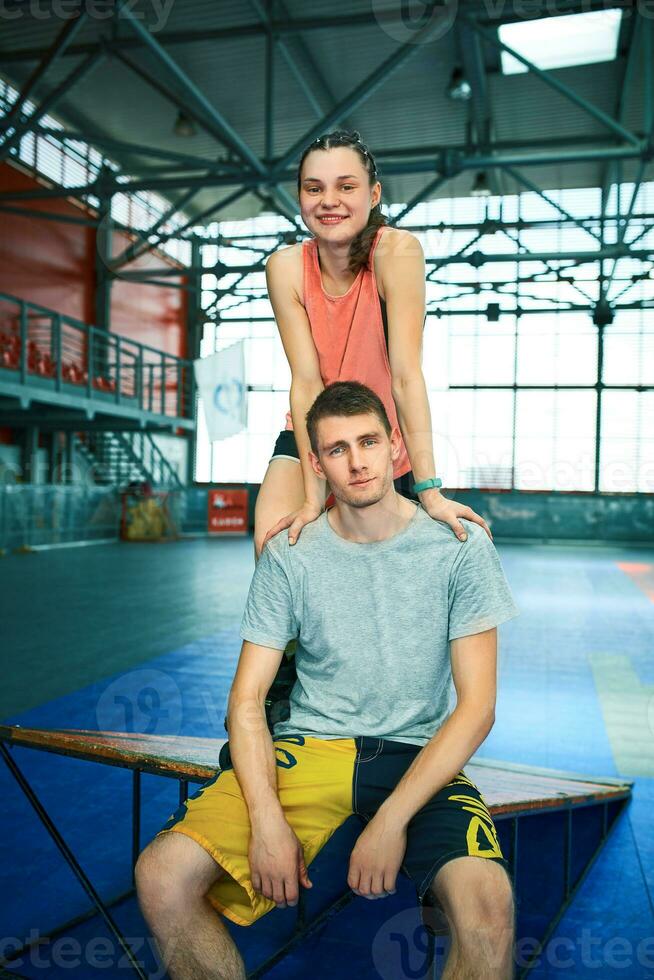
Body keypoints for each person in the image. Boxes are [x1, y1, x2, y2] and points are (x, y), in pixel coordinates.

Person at [135, 381, 520, 980]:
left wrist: (391, 821)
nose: (357, 460)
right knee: (161, 875)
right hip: (309, 746)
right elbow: (245, 702)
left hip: (416, 754)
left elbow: (477, 709)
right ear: (315, 463)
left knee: (488, 907)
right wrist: (266, 823)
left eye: (369, 441)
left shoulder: (459, 548)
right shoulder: (291, 554)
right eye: (337, 449)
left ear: (396, 448)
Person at [255, 128, 492, 560]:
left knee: (400, 568)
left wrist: (431, 491)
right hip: (312, 430)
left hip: (378, 437)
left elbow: (404, 376)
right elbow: (306, 382)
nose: (330, 200)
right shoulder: (285, 267)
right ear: (301, 196)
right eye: (315, 188)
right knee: (272, 548)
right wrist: (312, 498)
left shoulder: (396, 252)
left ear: (374, 193)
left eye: (346, 187)